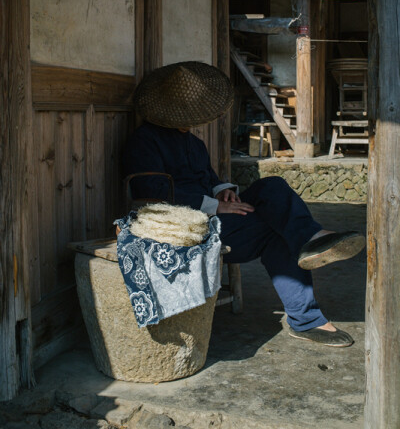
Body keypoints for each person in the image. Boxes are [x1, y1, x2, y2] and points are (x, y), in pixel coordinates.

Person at [123, 61, 365, 347]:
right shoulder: (144, 141)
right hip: (187, 226)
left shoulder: (194, 143)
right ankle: (306, 318)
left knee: (272, 186)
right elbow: (150, 191)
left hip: (216, 214)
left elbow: (209, 177)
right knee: (277, 232)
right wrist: (215, 207)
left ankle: (313, 238)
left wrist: (223, 190)